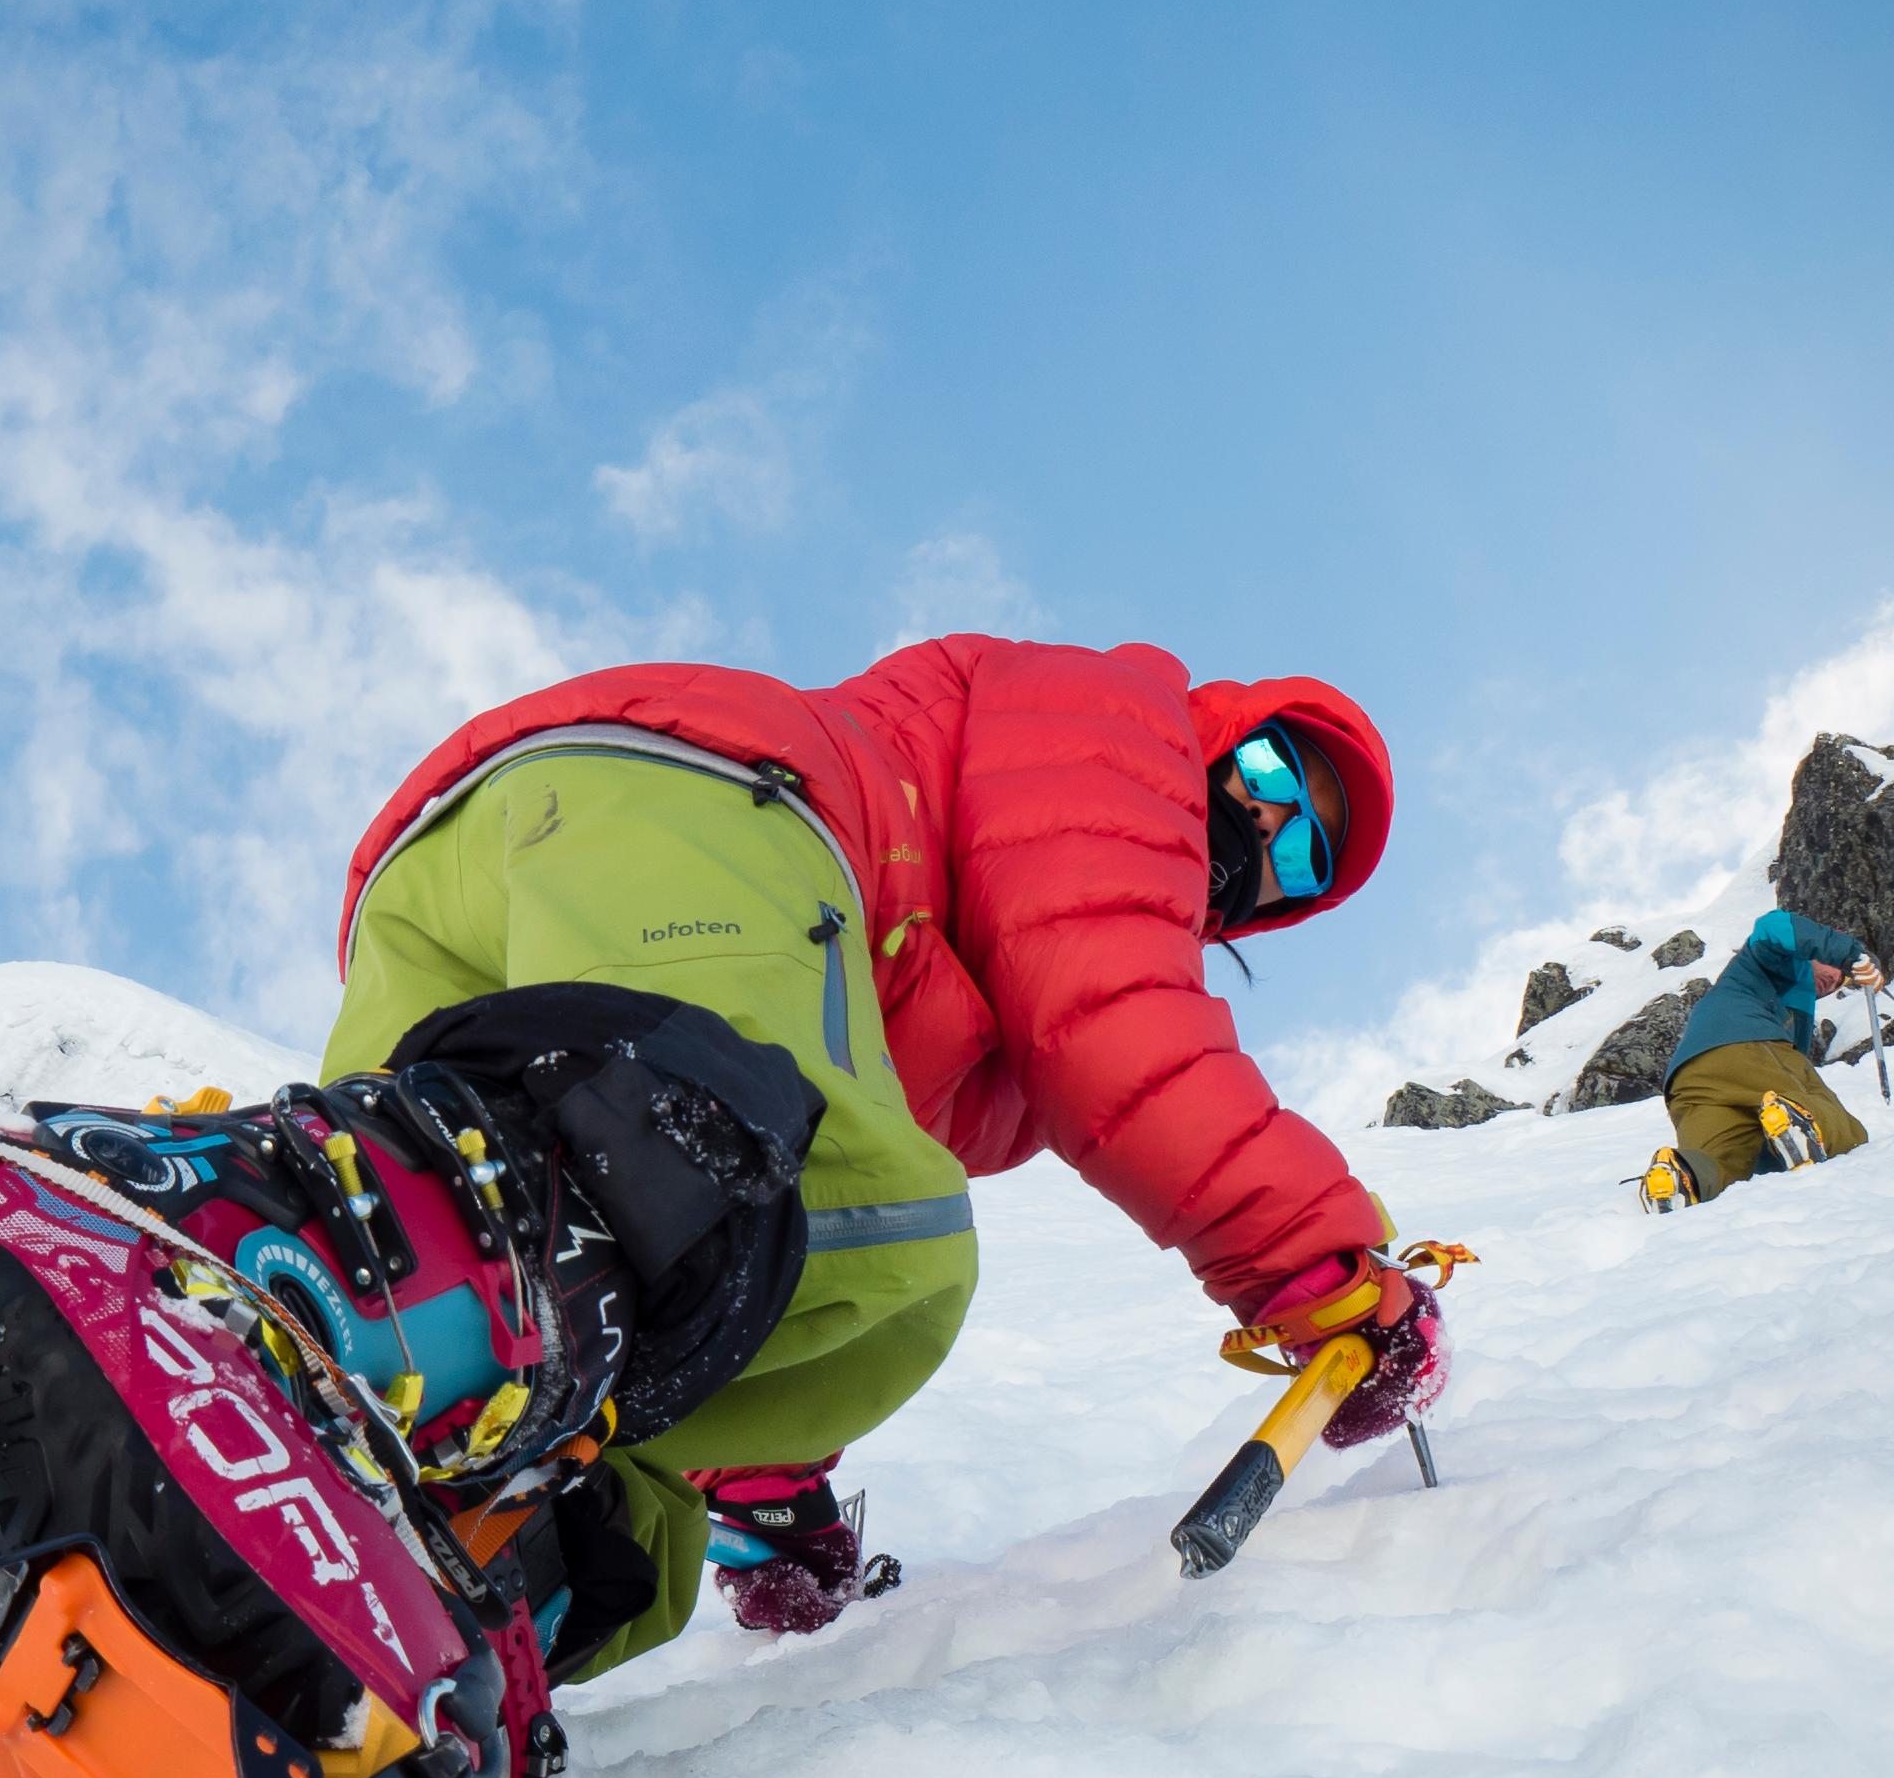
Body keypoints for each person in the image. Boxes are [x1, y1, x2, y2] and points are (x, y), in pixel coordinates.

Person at [325, 636, 1443, 1672]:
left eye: (1304, 848)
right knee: (894, 1255)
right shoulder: (1116, 726)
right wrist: (1312, 1271)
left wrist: (765, 1480)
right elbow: (1115, 1026)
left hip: (443, 882)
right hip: (690, 800)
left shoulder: (967, 979)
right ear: (1220, 731)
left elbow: (770, 1186)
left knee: (416, 1254)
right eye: (1276, 767)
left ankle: (351, 1606)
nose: (1267, 819)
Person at [1641, 909, 1883, 1208]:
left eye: (1840, 982)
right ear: (1814, 951)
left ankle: (1678, 1178)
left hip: (1689, 1079)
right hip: (1748, 1045)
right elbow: (1775, 924)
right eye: (1834, 970)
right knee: (1843, 1128)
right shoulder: (1780, 962)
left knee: (1725, 1161)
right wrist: (1850, 954)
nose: (1835, 981)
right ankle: (1800, 1119)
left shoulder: (1784, 1003)